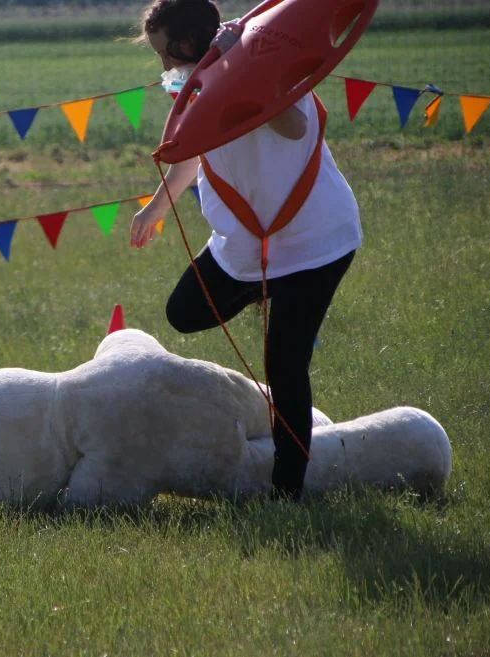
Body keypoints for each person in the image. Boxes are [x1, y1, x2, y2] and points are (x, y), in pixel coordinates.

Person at [130, 0, 362, 501]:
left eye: (165, 55)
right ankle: (264, 287)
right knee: (184, 312)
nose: (164, 68)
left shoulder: (264, 60)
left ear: (188, 45)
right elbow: (189, 153)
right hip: (245, 244)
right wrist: (155, 209)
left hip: (313, 243)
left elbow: (295, 127)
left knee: (285, 364)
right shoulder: (197, 84)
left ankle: (287, 492)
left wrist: (247, 80)